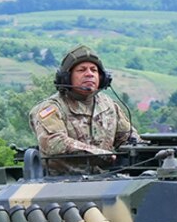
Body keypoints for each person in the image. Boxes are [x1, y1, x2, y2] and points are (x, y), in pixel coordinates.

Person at [31, 45, 137, 173]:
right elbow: (54, 143)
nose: (89, 74)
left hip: (107, 183)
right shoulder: (51, 108)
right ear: (67, 77)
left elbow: (129, 139)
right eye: (82, 70)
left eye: (94, 70)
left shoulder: (109, 106)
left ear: (102, 78)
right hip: (62, 185)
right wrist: (100, 154)